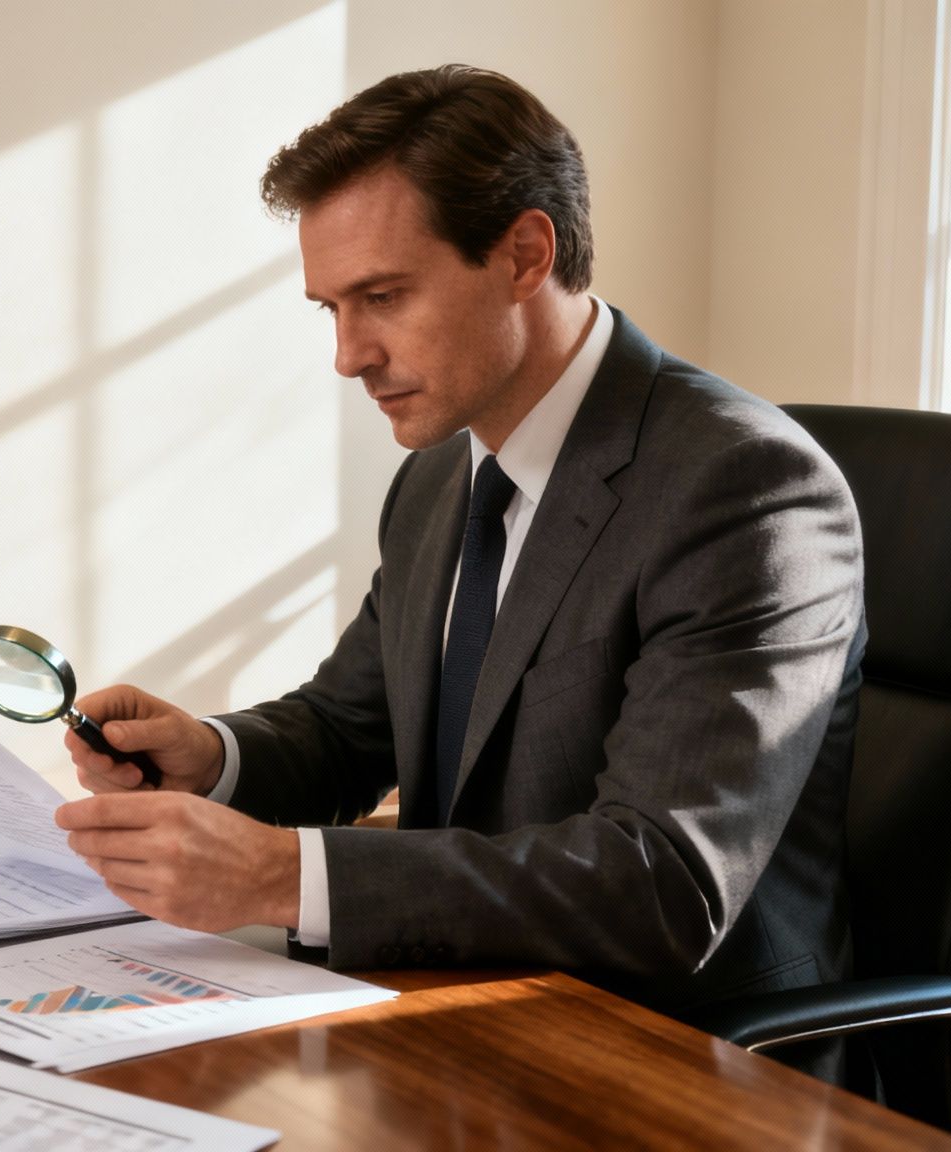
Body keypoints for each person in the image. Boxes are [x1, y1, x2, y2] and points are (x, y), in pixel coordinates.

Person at [53, 65, 865, 1027]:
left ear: (524, 254)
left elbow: (661, 881)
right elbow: (353, 729)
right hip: (467, 1004)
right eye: (332, 309)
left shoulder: (744, 487)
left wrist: (281, 875)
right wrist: (211, 756)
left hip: (678, 1053)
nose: (348, 354)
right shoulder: (444, 472)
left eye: (384, 297)